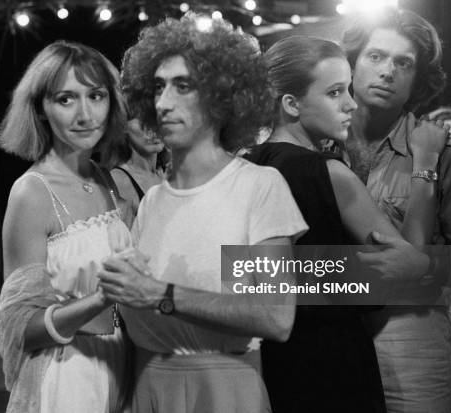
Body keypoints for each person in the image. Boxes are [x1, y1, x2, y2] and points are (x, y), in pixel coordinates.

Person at [98, 14, 308, 412]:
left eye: (183, 86)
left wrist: (161, 294)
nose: (163, 103)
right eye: (158, 87)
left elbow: (274, 316)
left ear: (222, 96)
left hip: (224, 390)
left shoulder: (257, 187)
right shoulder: (154, 202)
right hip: (148, 387)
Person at [246, 35, 448, 413]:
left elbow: (244, 273)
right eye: (335, 92)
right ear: (291, 104)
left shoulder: (247, 166)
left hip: (270, 360)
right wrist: (425, 164)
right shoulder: (328, 173)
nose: (350, 104)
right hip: (333, 363)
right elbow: (407, 260)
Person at [342, 8, 451, 412]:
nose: (387, 71)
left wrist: (425, 268)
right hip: (326, 331)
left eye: (403, 63)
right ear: (351, 62)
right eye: (375, 56)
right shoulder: (312, 146)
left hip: (408, 336)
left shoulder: (449, 153)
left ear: (417, 79)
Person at [0, 40, 131, 413]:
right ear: (41, 108)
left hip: (116, 370)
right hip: (63, 381)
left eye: (96, 95)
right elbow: (19, 327)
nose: (86, 115)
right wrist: (101, 299)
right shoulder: (32, 192)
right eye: (66, 99)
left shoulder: (106, 179)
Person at [107, 110, 168, 214]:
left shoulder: (170, 171)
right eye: (143, 120)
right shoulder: (118, 181)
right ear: (123, 125)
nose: (153, 129)